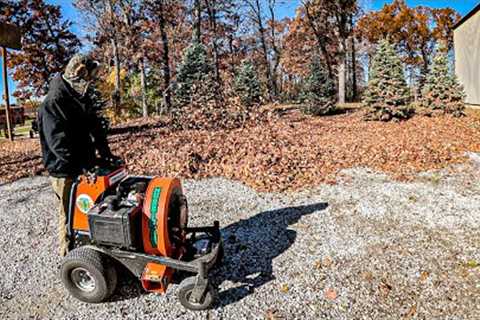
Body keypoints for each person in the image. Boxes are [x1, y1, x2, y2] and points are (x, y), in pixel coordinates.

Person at [38, 54, 119, 256]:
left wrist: (106, 154)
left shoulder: (79, 96)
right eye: (88, 78)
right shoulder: (53, 101)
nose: (90, 83)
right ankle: (69, 258)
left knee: (92, 207)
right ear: (78, 75)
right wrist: (83, 167)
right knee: (68, 214)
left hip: (85, 163)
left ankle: (97, 249)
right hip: (63, 169)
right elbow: (58, 144)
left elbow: (95, 128)